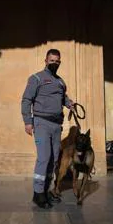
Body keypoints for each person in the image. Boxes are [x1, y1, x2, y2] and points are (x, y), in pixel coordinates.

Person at [21, 49, 74, 209]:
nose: (54, 63)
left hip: (57, 125)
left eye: (57, 61)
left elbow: (63, 97)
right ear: (45, 61)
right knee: (44, 157)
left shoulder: (60, 82)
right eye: (52, 61)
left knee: (54, 159)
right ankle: (38, 194)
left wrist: (69, 103)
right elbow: (26, 100)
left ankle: (46, 191)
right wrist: (28, 122)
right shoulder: (36, 78)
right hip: (41, 122)